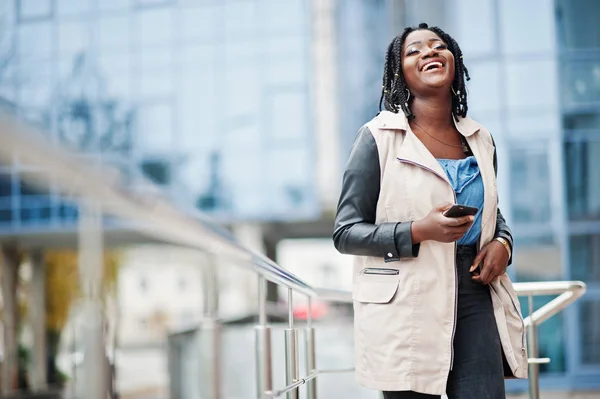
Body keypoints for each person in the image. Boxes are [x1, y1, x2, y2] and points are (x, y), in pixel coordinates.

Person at [333, 23, 528, 399]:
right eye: (414, 50)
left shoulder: (480, 139)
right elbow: (345, 232)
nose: (429, 52)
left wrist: (503, 243)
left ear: (454, 61)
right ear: (400, 73)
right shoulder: (377, 137)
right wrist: (418, 230)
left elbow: (492, 214)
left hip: (475, 289)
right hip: (408, 295)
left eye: (439, 46)